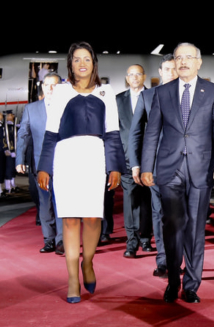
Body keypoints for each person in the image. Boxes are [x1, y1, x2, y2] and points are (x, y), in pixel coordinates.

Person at [141, 42, 214, 304]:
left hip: (201, 170)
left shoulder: (213, 92)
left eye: (188, 57)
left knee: (195, 230)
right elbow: (152, 133)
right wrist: (147, 167)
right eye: (179, 57)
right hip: (169, 171)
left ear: (199, 62)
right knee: (173, 227)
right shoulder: (163, 92)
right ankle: (172, 281)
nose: (183, 62)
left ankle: (191, 285)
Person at [37, 42, 125, 304]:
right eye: (76, 60)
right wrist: (44, 166)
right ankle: (73, 279)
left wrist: (115, 166)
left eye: (86, 59)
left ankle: (88, 262)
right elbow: (51, 132)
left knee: (92, 217)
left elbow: (112, 132)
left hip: (94, 157)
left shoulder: (106, 91)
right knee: (70, 220)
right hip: (66, 157)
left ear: (94, 63)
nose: (82, 64)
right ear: (70, 64)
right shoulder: (60, 91)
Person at [129, 53, 178, 278]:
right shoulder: (148, 96)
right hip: (156, 168)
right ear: (160, 72)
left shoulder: (191, 95)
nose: (171, 73)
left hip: (185, 166)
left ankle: (178, 259)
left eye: (174, 68)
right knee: (160, 214)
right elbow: (135, 133)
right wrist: (136, 164)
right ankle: (163, 262)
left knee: (181, 216)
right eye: (166, 69)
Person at [17, 70, 63, 255]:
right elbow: (23, 135)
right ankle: (49, 240)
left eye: (55, 85)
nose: (51, 88)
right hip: (40, 164)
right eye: (47, 85)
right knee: (45, 204)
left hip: (63, 163)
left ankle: (62, 240)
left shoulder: (68, 107)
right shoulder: (31, 109)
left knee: (61, 203)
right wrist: (20, 159)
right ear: (42, 87)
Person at [116, 64, 154, 258]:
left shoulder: (153, 96)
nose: (135, 77)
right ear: (127, 78)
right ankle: (131, 241)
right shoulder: (118, 100)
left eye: (138, 74)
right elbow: (115, 131)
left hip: (149, 159)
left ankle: (146, 238)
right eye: (131, 74)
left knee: (147, 201)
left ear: (144, 76)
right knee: (130, 202)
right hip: (127, 158)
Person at [4, 110, 17, 193]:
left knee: (13, 168)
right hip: (9, 151)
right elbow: (6, 140)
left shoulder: (13, 126)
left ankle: (12, 184)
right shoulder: (5, 127)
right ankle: (8, 186)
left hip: (14, 150)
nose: (13, 116)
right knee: (8, 169)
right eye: (11, 115)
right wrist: (9, 150)